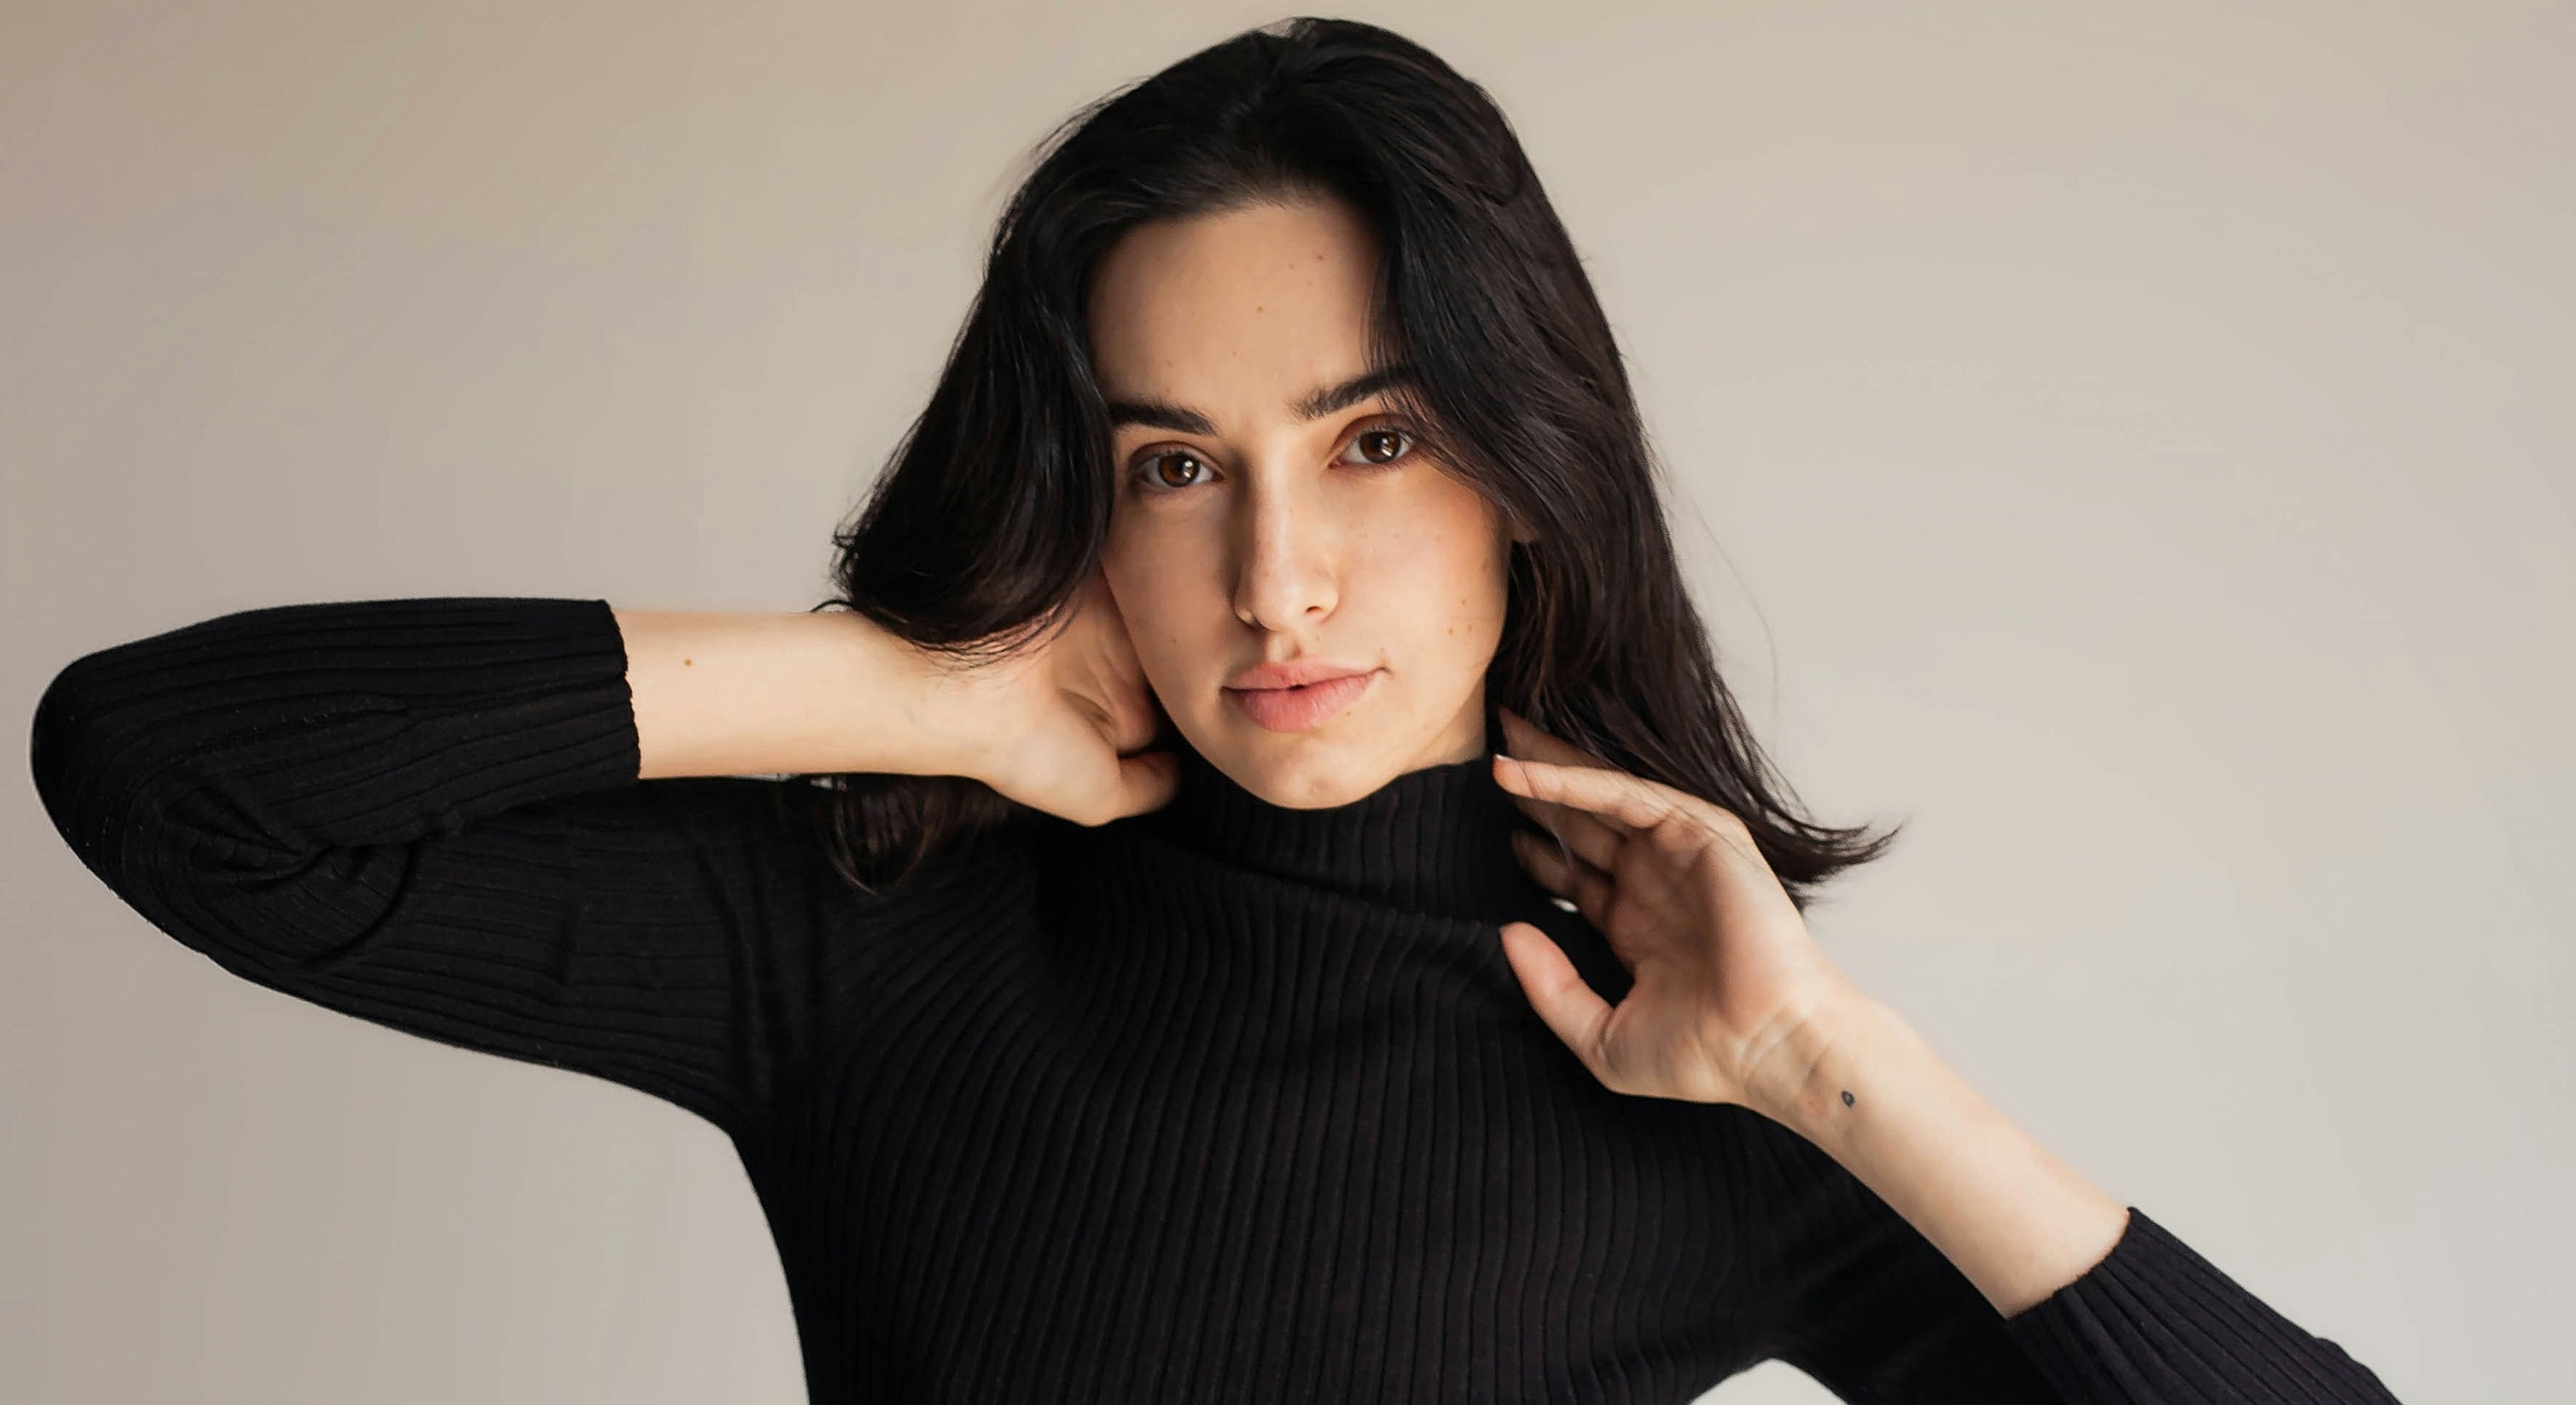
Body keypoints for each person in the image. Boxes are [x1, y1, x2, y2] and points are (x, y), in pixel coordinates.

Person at [28, 17, 2402, 1404]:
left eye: (1375, 438)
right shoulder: (871, 945)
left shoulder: (1675, 1078)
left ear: (1529, 475)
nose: (1277, 577)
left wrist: (1828, 1072)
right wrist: (904, 687)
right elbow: (171, 776)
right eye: (1177, 466)